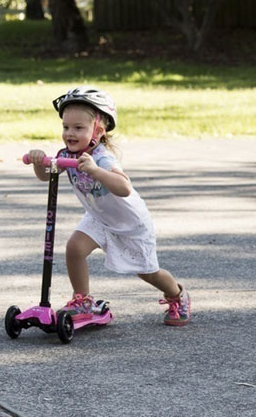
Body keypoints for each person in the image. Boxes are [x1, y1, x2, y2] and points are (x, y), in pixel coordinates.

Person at [25, 87, 191, 326]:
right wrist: (39, 162)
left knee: (147, 272)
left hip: (130, 223)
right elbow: (47, 175)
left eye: (78, 128)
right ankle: (82, 301)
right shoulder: (66, 153)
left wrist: (95, 170)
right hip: (99, 217)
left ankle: (177, 294)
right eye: (66, 127)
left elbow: (124, 188)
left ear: (98, 131)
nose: (70, 133)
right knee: (74, 248)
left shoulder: (103, 158)